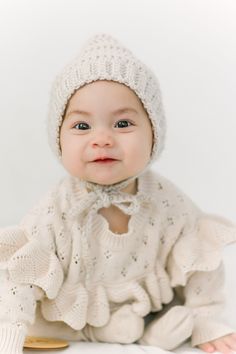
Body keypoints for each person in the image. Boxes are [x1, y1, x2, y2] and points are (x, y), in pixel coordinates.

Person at [0, 33, 236, 354]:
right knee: (48, 314)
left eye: (123, 123)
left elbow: (200, 258)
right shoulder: (56, 209)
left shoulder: (165, 199)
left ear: (154, 134)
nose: (102, 139)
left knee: (197, 256)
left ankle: (156, 333)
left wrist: (206, 318)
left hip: (141, 308)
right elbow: (20, 276)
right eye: (82, 127)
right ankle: (108, 335)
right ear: (59, 139)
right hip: (71, 319)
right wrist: (10, 336)